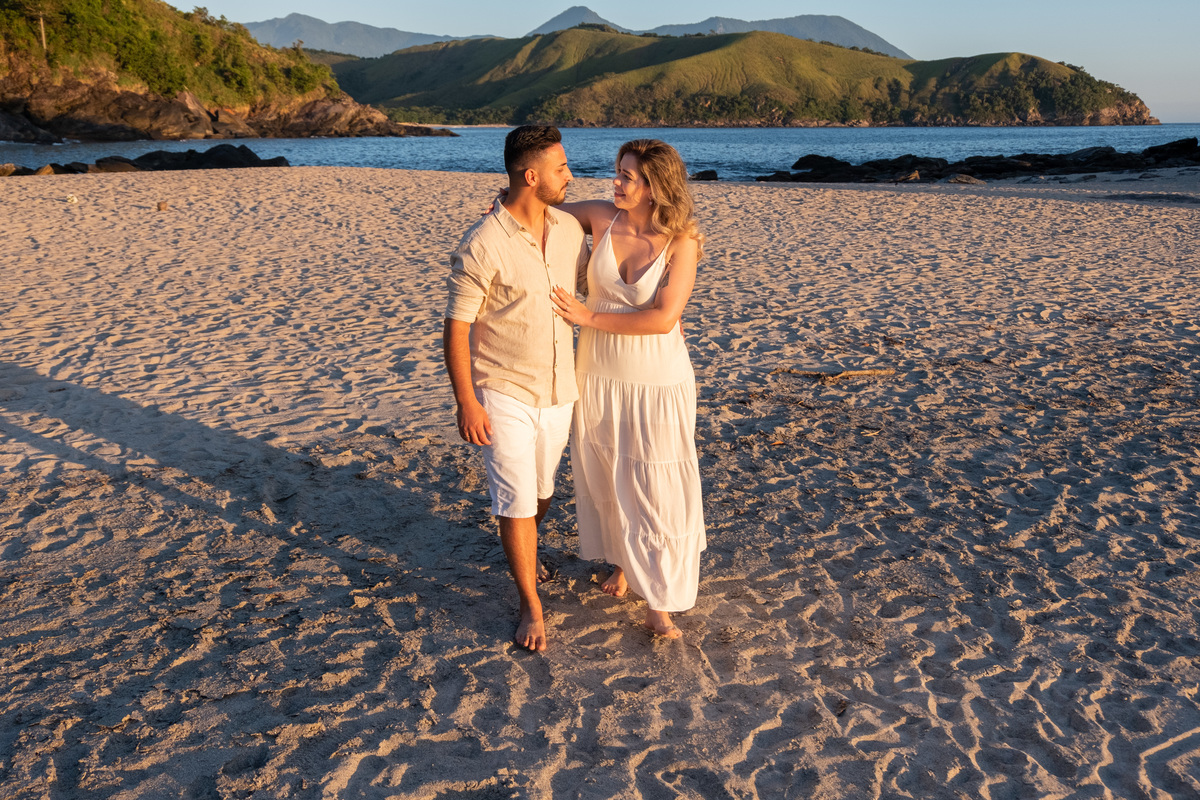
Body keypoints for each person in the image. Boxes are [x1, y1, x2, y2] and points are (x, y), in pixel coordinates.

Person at [550, 139, 706, 639]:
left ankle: (658, 600)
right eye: (616, 173)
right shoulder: (601, 216)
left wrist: (586, 315)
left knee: (654, 485)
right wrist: (503, 200)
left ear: (655, 186)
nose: (614, 183)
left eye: (626, 177)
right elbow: (539, 211)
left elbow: (663, 319)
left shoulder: (682, 243)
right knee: (608, 473)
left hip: (655, 380)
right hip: (596, 371)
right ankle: (624, 563)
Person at [444, 125, 588, 652]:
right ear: (532, 176)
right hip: (502, 388)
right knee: (516, 498)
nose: (570, 176)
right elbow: (455, 329)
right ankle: (530, 603)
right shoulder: (481, 244)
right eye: (561, 169)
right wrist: (467, 401)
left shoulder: (571, 229)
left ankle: (525, 541)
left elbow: (596, 287)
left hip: (560, 388)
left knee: (542, 493)